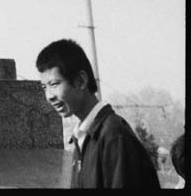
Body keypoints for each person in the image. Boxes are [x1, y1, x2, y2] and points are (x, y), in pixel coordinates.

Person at [35, 38, 161, 189]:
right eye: (44, 87)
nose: (49, 96)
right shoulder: (84, 137)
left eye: (54, 84)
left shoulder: (114, 136)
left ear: (81, 81)